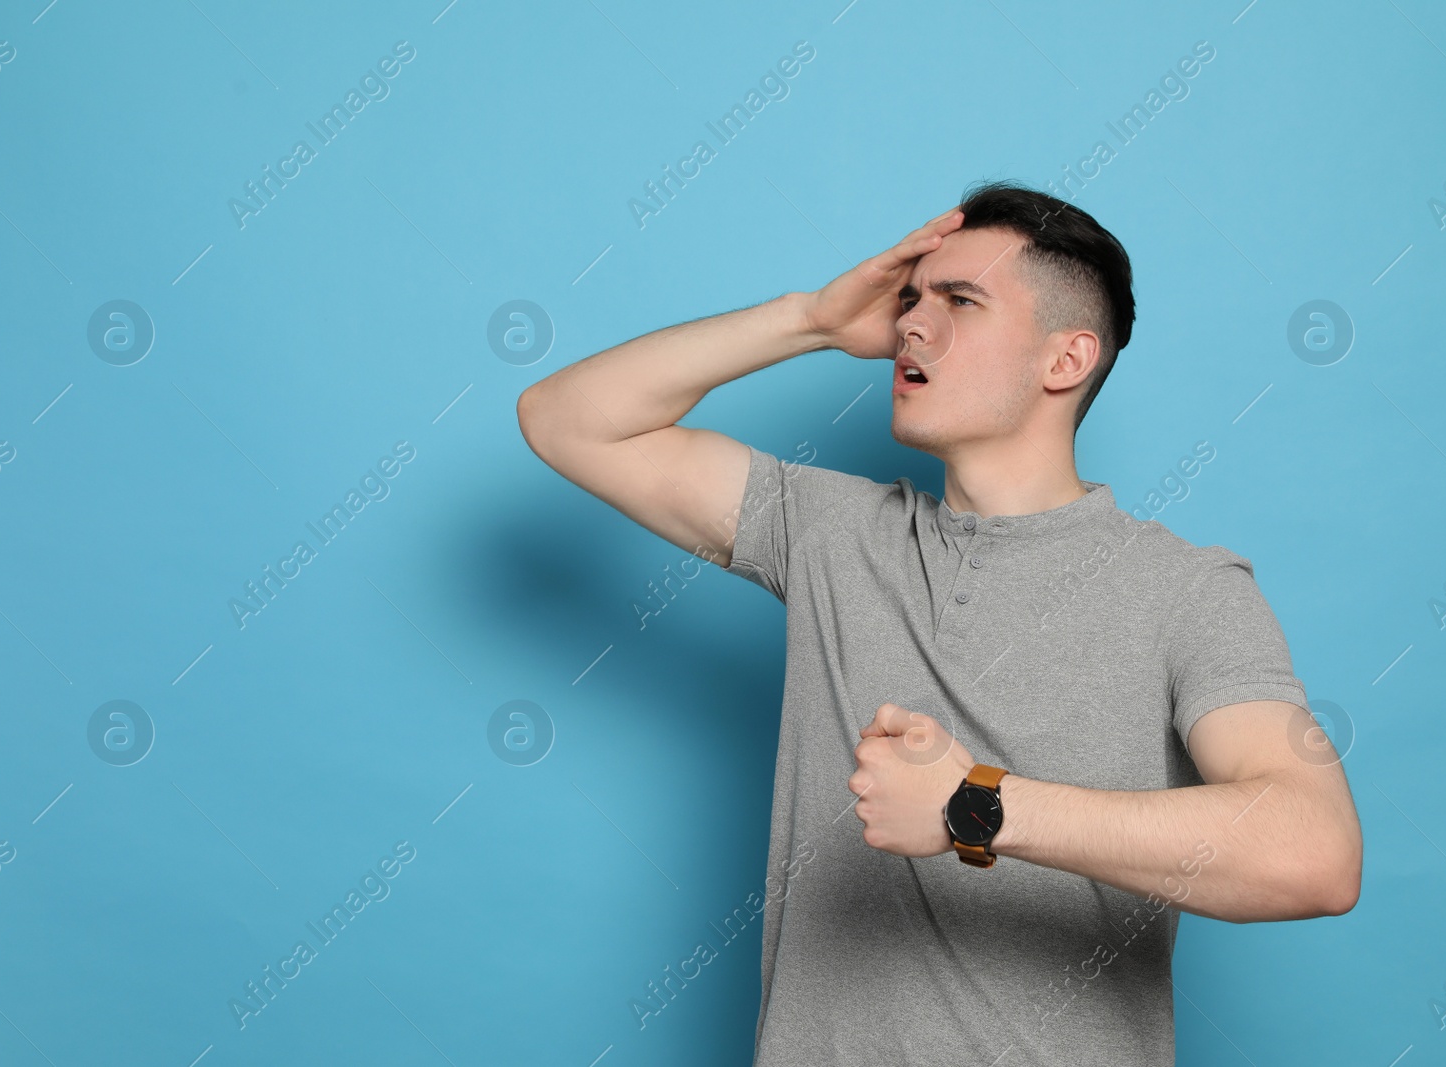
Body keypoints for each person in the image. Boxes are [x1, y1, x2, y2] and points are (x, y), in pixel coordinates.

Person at [516, 179, 1362, 1066]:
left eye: (961, 301)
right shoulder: (829, 533)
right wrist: (809, 319)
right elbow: (568, 420)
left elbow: (1314, 854)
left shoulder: (1188, 590)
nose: (911, 326)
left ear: (1065, 360)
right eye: (911, 300)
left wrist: (974, 806)